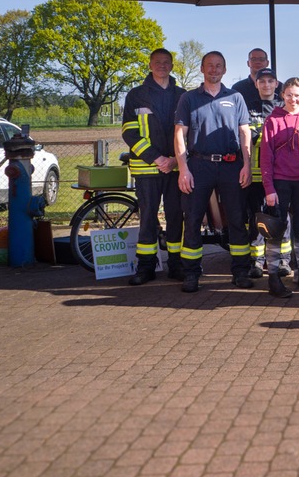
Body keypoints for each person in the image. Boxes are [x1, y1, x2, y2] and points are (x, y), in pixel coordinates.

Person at [173, 51, 254, 293]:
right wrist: (183, 168)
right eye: (210, 65)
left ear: (225, 70)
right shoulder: (188, 99)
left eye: (219, 66)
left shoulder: (236, 97)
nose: (214, 69)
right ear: (202, 68)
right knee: (194, 218)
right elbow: (179, 134)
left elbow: (245, 133)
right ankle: (191, 274)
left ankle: (240, 272)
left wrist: (247, 164)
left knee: (238, 219)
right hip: (199, 165)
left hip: (231, 165)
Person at [122, 48, 186, 285]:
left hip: (175, 168)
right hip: (147, 169)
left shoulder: (183, 95)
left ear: (171, 65)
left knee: (175, 217)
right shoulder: (136, 95)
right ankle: (145, 267)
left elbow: (190, 131)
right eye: (157, 62)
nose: (162, 65)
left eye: (166, 62)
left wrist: (173, 160)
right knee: (148, 218)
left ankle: (176, 265)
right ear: (150, 65)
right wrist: (157, 158)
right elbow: (129, 132)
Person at [260, 78, 299, 297]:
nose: (294, 99)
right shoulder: (272, 121)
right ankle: (274, 278)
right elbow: (266, 158)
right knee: (276, 232)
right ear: (283, 95)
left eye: (298, 95)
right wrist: (269, 188)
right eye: (289, 94)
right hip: (280, 182)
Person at [244, 67, 290, 279]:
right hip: (255, 174)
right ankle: (257, 261)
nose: (266, 85)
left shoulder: (283, 108)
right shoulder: (248, 108)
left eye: (270, 81)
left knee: (281, 217)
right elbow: (246, 136)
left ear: (276, 84)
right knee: (257, 218)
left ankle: (283, 260)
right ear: (256, 84)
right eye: (262, 81)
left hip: (280, 174)